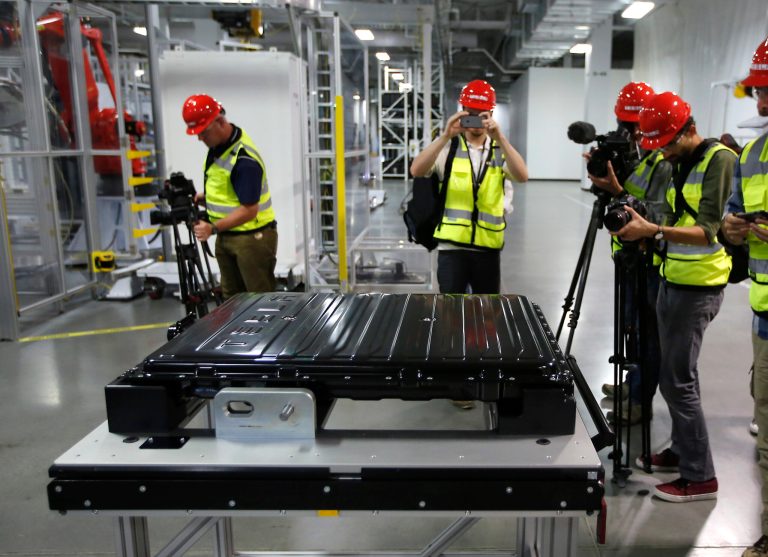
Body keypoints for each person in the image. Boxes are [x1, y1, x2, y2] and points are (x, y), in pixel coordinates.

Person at [610, 91, 737, 503]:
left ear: (690, 130)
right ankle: (683, 451)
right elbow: (666, 215)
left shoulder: (719, 160)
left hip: (698, 286)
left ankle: (700, 476)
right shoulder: (677, 162)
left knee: (677, 381)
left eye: (666, 142)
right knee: (678, 375)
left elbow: (709, 229)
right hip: (672, 277)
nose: (661, 152)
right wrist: (645, 232)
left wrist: (654, 233)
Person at [588, 82, 673, 426]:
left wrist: (618, 189)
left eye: (636, 124)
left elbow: (655, 213)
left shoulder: (663, 161)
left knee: (646, 332)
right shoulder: (630, 154)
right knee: (630, 328)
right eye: (626, 124)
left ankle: (640, 399)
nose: (631, 132)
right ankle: (632, 384)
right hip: (625, 255)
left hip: (649, 260)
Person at [409, 79, 528, 295]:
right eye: (470, 113)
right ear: (462, 111)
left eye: (481, 114)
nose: (475, 121)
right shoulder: (449, 146)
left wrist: (500, 137)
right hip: (452, 249)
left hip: (488, 247)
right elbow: (416, 170)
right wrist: (445, 135)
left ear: (491, 114)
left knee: (486, 315)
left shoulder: (499, 148)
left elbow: (522, 176)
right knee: (451, 314)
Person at [720, 35, 768, 557]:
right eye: (757, 91)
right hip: (765, 317)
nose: (761, 102)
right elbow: (730, 222)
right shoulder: (753, 153)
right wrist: (733, 227)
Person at [182, 94, 277, 299]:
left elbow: (250, 210)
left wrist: (212, 228)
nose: (200, 138)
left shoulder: (244, 159)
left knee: (258, 301)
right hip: (229, 236)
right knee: (232, 300)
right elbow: (231, 190)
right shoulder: (218, 147)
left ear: (220, 122)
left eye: (203, 132)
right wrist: (206, 198)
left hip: (251, 239)